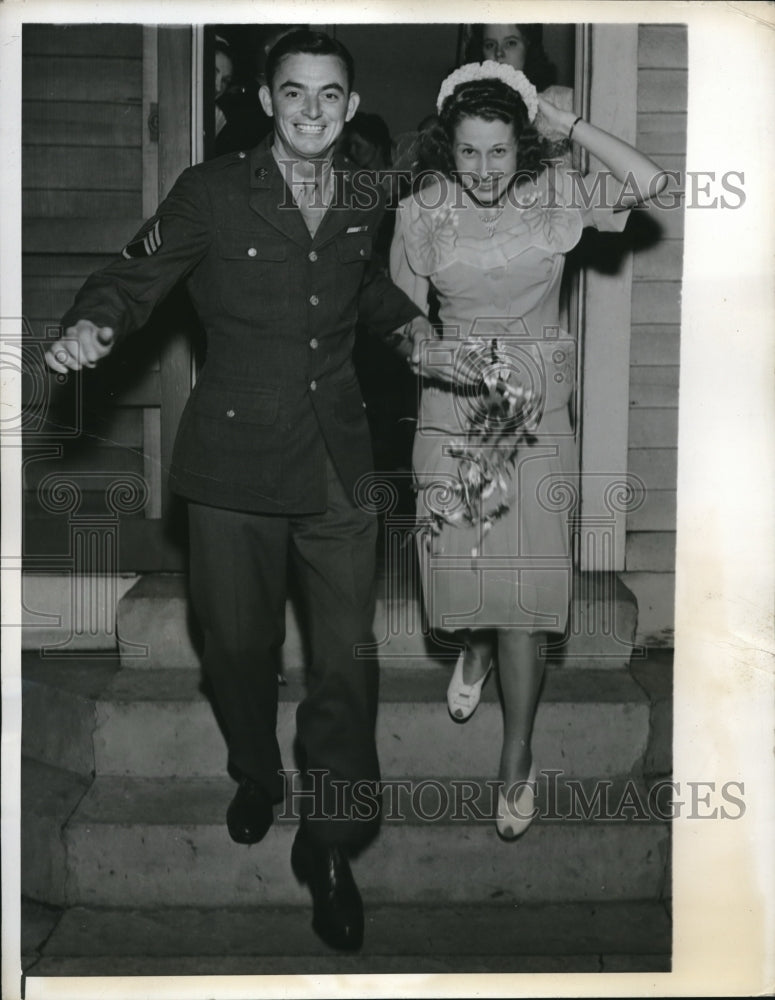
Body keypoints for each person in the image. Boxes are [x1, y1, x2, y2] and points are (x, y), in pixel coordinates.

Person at [45, 29, 430, 952]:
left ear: (348, 104)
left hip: (338, 467)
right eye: (293, 94)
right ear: (266, 100)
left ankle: (330, 845)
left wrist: (418, 332)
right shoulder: (211, 194)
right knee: (237, 651)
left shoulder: (365, 191)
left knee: (347, 661)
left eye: (328, 96)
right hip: (231, 471)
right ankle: (256, 769)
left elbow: (359, 287)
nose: (310, 111)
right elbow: (129, 278)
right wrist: (93, 327)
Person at [390, 62, 666, 839]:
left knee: (527, 598)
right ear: (450, 148)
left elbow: (652, 184)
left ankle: (516, 754)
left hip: (537, 413)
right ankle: (471, 647)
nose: (483, 170)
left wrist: (566, 123)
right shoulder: (419, 212)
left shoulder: (558, 197)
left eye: (499, 151)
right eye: (469, 153)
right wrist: (432, 355)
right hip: (454, 413)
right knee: (466, 573)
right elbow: (398, 326)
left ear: (522, 148)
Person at [463, 23, 574, 157]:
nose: (499, 53)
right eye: (490, 45)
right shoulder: (468, 113)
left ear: (529, 47)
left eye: (510, 43)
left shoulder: (563, 101)